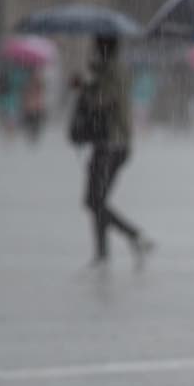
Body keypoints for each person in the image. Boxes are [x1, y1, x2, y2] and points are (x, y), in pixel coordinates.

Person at [75, 34, 153, 266]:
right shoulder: (108, 70)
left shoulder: (112, 71)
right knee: (97, 199)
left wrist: (85, 88)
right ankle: (103, 252)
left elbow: (103, 100)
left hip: (112, 142)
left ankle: (133, 236)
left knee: (94, 200)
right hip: (111, 142)